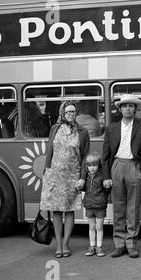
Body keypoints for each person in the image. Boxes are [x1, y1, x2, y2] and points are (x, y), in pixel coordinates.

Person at [103, 94, 141, 258]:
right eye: (125, 106)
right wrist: (106, 175)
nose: (128, 108)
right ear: (120, 109)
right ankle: (119, 244)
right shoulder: (112, 128)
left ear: (135, 109)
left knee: (133, 209)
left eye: (131, 106)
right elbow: (106, 153)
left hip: (134, 167)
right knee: (118, 207)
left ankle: (131, 244)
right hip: (117, 166)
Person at [40, 101, 90, 258]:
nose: (71, 114)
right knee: (56, 210)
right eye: (68, 111)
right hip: (54, 175)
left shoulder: (82, 132)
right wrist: (45, 173)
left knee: (69, 211)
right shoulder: (55, 129)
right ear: (62, 113)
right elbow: (50, 152)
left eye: (73, 111)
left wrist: (82, 177)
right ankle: (58, 245)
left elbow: (85, 157)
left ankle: (66, 244)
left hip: (72, 176)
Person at [79, 151, 109, 257]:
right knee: (91, 227)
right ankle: (92, 246)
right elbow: (83, 189)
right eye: (90, 165)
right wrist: (79, 185)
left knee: (99, 227)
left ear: (98, 165)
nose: (92, 168)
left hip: (100, 206)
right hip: (89, 206)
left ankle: (99, 247)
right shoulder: (85, 177)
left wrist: (108, 186)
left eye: (95, 165)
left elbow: (107, 190)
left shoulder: (102, 177)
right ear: (86, 166)